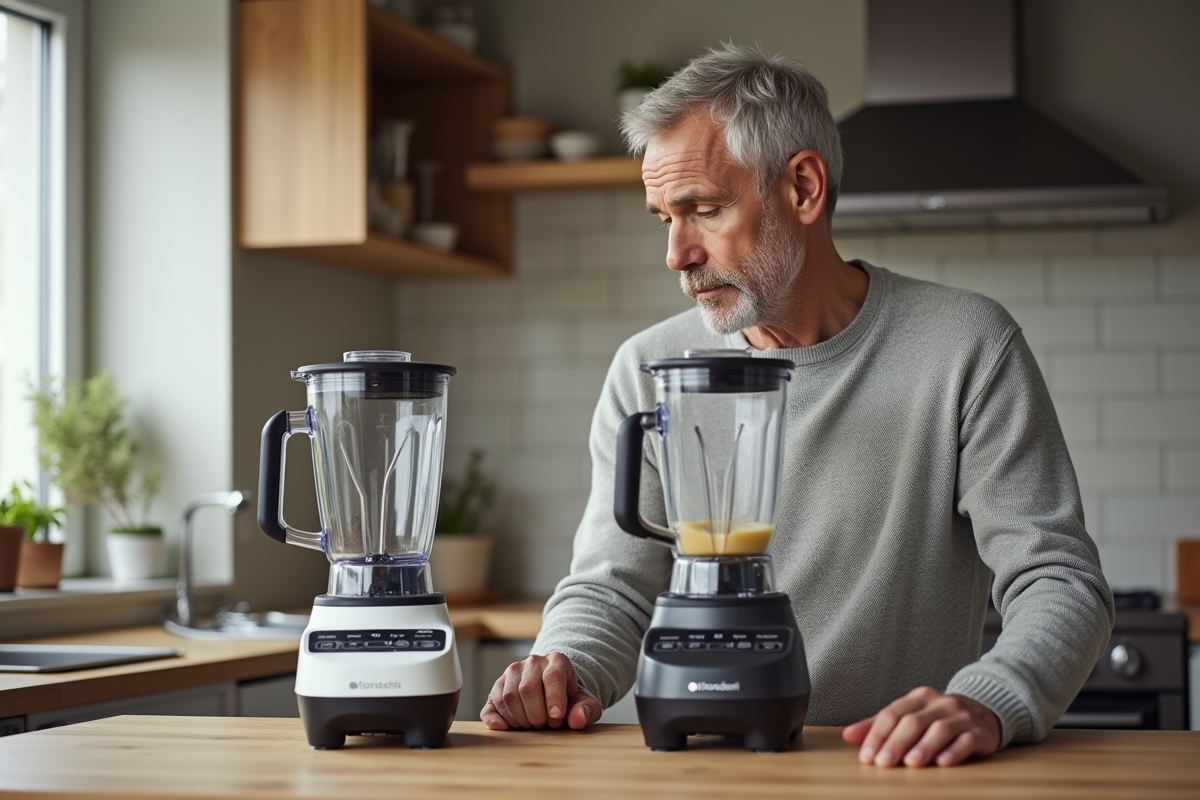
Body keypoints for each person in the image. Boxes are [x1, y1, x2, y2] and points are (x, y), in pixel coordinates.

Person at [480, 44, 1114, 768]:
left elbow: (1058, 581)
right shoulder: (648, 370)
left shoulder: (967, 346)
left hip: (897, 772)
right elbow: (613, 588)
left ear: (804, 189)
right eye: (664, 217)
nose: (676, 253)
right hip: (705, 773)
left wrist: (993, 695)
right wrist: (560, 669)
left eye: (704, 210)